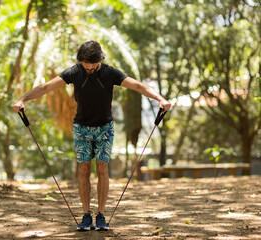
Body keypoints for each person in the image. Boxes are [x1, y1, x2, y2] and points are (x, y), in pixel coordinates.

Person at [13, 40, 171, 231]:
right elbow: (46, 87)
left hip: (105, 128)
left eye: (92, 66)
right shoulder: (74, 72)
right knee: (84, 170)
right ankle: (86, 215)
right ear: (81, 61)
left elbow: (138, 86)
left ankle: (101, 216)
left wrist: (161, 99)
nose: (88, 69)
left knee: (103, 169)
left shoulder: (110, 73)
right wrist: (23, 99)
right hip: (81, 129)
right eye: (85, 65)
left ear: (99, 60)